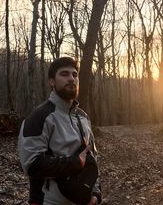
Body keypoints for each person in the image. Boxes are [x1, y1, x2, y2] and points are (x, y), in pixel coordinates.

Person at [18, 57, 102, 205]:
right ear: (52, 81)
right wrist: (76, 162)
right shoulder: (40, 116)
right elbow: (32, 164)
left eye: (75, 75)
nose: (71, 78)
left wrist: (95, 193)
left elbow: (92, 159)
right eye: (64, 74)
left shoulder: (82, 117)